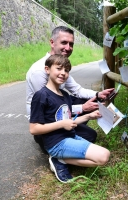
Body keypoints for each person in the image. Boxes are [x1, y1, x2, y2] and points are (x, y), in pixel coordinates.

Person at [26, 26, 114, 150]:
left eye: (71, 44)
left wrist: (98, 95)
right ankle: (47, 142)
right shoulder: (39, 71)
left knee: (90, 101)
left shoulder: (61, 66)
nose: (68, 48)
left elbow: (77, 90)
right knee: (90, 136)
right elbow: (48, 110)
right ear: (52, 42)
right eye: (64, 43)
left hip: (59, 113)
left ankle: (69, 130)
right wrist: (83, 108)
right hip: (45, 122)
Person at [29, 55, 110, 183]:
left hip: (70, 137)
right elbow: (34, 129)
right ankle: (59, 159)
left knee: (103, 156)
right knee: (103, 156)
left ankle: (60, 159)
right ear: (47, 69)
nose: (63, 73)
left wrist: (89, 116)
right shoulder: (41, 96)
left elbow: (69, 122)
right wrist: (61, 124)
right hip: (56, 143)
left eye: (66, 70)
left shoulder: (65, 95)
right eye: (59, 68)